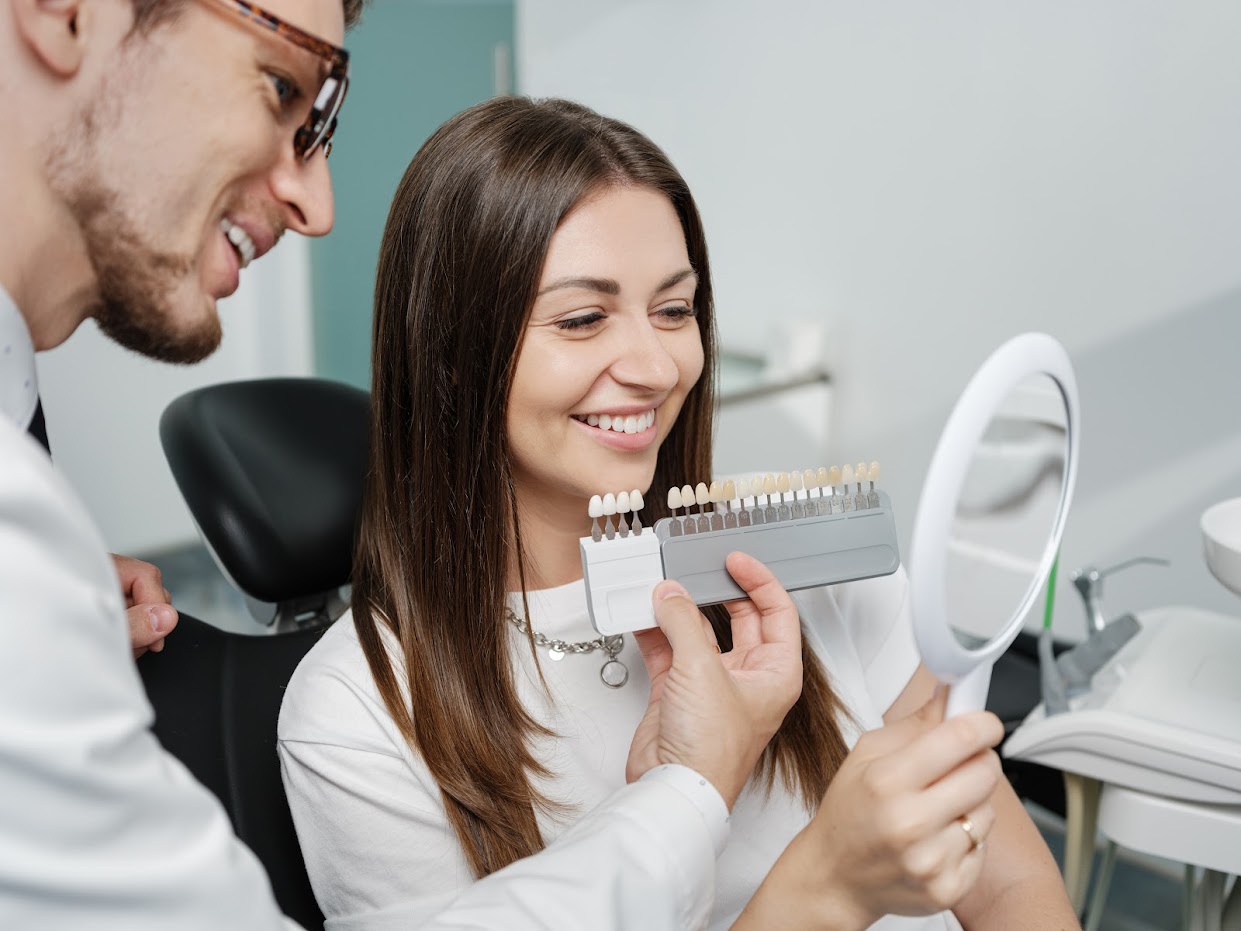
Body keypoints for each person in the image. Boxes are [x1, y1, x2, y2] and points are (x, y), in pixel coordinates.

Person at [0, 1, 806, 927]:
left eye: (675, 310)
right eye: (278, 84)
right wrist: (727, 820)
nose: (318, 205)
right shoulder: (352, 713)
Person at [279, 96, 1081, 930]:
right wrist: (826, 888)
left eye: (673, 308)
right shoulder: (356, 717)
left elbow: (1010, 882)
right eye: (583, 319)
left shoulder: (798, 547)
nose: (657, 364)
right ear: (450, 356)